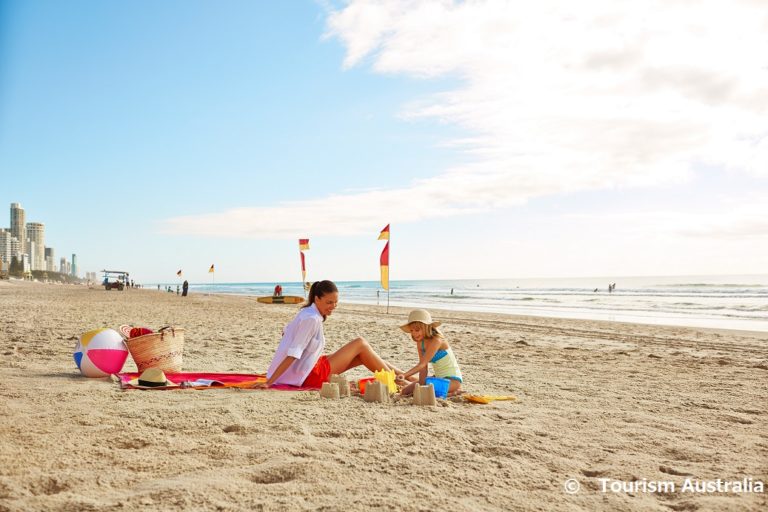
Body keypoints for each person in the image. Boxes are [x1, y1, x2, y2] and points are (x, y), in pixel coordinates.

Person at [258, 280, 401, 388]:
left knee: (364, 355)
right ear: (317, 299)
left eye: (336, 302)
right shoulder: (311, 319)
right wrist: (270, 382)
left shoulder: (306, 313)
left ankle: (406, 378)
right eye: (329, 302)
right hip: (310, 375)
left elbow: (286, 332)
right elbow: (293, 353)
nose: (333, 307)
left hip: (311, 366)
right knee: (360, 343)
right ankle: (399, 381)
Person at [395, 309, 463, 396]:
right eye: (411, 331)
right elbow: (423, 369)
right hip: (438, 378)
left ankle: (453, 392)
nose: (414, 334)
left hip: (453, 380)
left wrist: (404, 375)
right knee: (405, 392)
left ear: (426, 327)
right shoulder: (420, 343)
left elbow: (422, 364)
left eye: (417, 330)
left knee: (427, 392)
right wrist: (420, 385)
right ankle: (446, 392)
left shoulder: (437, 340)